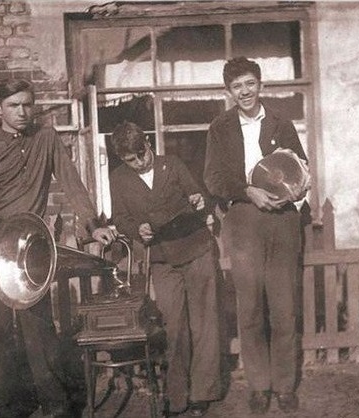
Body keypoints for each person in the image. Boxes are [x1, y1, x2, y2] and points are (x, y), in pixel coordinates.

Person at [0, 79, 116, 418]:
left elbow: (72, 183)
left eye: (27, 104)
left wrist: (93, 224)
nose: (22, 111)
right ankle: (11, 409)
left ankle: (56, 406)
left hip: (28, 241)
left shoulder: (47, 138)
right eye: (13, 105)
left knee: (39, 327)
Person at [204, 57, 309, 415]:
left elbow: (301, 167)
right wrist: (246, 191)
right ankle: (259, 386)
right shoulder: (219, 128)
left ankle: (284, 386)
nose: (245, 92)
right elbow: (213, 180)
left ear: (260, 85)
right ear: (228, 91)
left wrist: (293, 189)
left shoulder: (281, 122)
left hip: (282, 221)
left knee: (283, 309)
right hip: (244, 221)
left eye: (250, 83)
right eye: (237, 86)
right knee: (249, 310)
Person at [109, 122, 221, 417]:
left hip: (197, 249)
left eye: (141, 154)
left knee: (204, 324)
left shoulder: (171, 164)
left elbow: (199, 196)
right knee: (175, 327)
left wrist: (198, 200)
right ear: (122, 159)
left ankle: (202, 393)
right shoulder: (119, 179)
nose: (139, 162)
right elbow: (120, 219)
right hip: (162, 259)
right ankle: (177, 395)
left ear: (147, 144)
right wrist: (138, 229)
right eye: (131, 160)